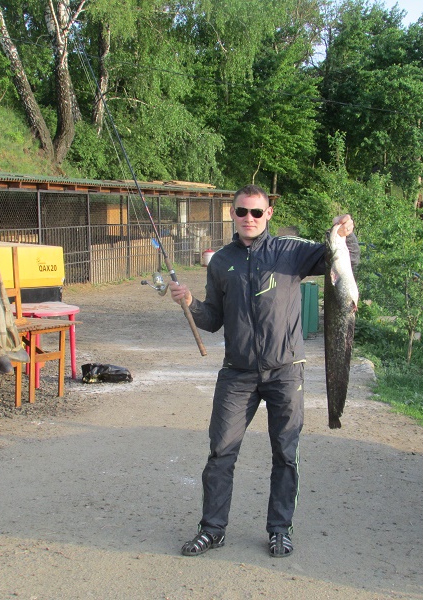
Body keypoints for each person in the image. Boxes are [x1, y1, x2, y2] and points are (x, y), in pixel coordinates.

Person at [169, 184, 359, 558]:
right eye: (242, 211)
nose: (249, 218)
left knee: (285, 454)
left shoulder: (290, 251)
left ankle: (279, 530)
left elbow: (339, 261)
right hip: (237, 373)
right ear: (232, 213)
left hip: (286, 372)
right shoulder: (221, 261)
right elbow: (213, 319)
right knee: (221, 452)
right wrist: (190, 302)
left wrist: (345, 234)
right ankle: (212, 529)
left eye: (257, 212)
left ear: (268, 214)